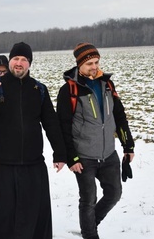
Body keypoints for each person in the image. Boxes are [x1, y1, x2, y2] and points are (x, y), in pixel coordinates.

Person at [0, 42, 67, 238]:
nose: (19, 63)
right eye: (16, 59)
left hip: (33, 164)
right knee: (5, 218)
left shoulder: (39, 89)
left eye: (24, 59)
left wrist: (60, 153)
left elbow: (51, 123)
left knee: (35, 216)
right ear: (10, 61)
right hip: (4, 165)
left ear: (29, 63)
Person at [56, 42, 135, 239]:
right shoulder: (69, 90)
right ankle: (90, 234)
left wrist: (128, 145)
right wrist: (72, 158)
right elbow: (63, 127)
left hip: (108, 154)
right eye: (89, 63)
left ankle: (90, 225)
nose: (94, 66)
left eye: (96, 62)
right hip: (84, 157)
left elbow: (120, 116)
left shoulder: (107, 84)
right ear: (79, 64)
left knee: (114, 194)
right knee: (88, 199)